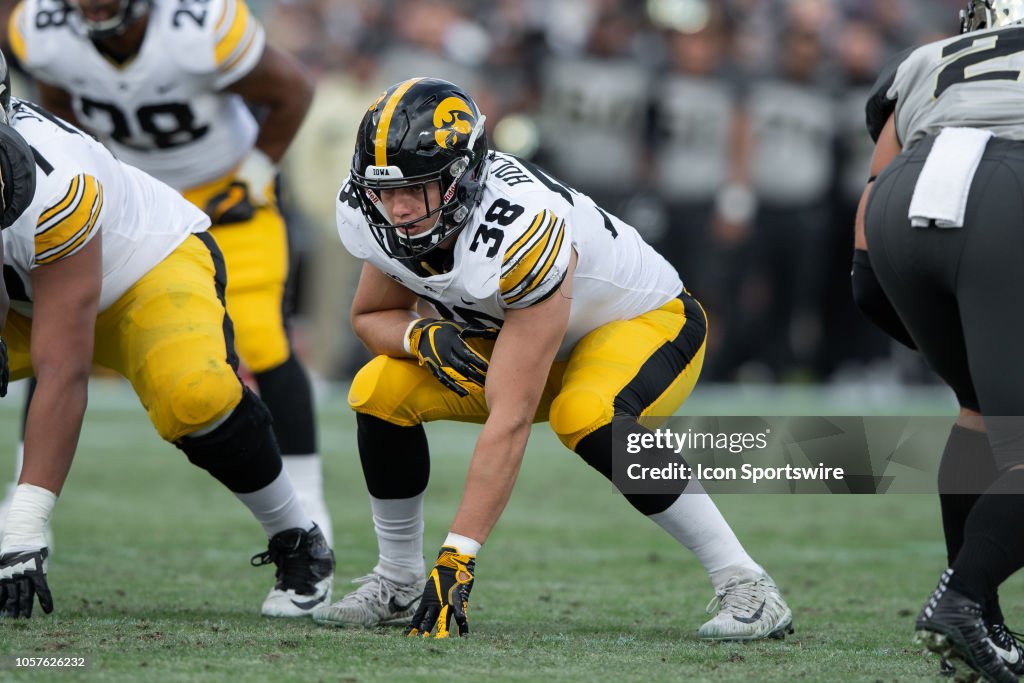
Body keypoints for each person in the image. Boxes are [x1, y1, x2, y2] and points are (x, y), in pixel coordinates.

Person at [313, 77, 793, 640]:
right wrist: (418, 337)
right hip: (524, 334)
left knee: (584, 412)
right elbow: (372, 316)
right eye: (382, 190)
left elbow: (509, 416)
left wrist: (457, 563)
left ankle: (746, 583)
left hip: (642, 323)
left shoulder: (521, 227)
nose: (395, 208)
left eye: (415, 189)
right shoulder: (376, 210)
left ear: (463, 175)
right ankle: (396, 580)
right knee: (379, 388)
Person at [0, 58, 333, 618]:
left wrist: (25, 523)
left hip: (139, 273)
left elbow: (64, 370)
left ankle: (298, 537)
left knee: (196, 399)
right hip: (28, 292)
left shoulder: (58, 184)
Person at [857, 1, 1024, 679]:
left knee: (980, 411)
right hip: (1007, 192)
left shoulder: (927, 57)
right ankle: (961, 600)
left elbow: (868, 219)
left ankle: (977, 615)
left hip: (902, 203)